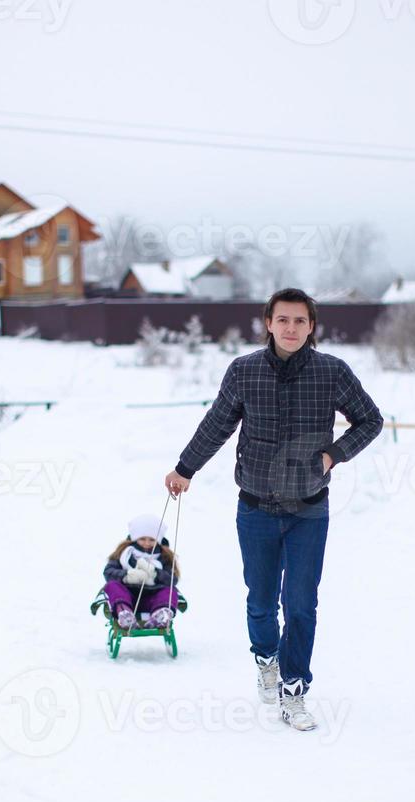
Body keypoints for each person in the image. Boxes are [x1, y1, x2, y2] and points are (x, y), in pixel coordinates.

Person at [164, 287, 383, 731]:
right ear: (268, 323)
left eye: (300, 321)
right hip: (256, 509)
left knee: (301, 605)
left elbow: (371, 419)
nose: (290, 328)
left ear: (311, 326)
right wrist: (185, 467)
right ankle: (266, 659)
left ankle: (295, 689)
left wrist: (333, 455)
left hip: (309, 510)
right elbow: (218, 424)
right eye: (282, 320)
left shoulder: (332, 372)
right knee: (262, 603)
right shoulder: (244, 371)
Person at [103, 513, 180, 630]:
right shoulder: (124, 553)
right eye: (142, 539)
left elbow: (172, 579)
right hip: (128, 597)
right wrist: (126, 576)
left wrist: (155, 574)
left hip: (153, 598)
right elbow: (108, 572)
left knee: (170, 591)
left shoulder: (164, 556)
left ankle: (161, 615)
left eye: (152, 540)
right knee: (112, 586)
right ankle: (125, 614)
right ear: (135, 537)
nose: (147, 543)